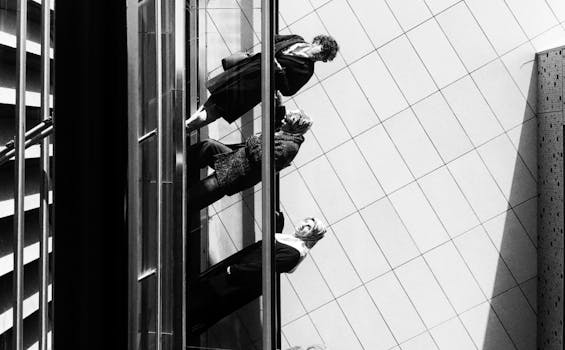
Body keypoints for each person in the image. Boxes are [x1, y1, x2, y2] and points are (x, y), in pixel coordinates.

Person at [188, 211, 327, 335]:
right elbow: (272, 248)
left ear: (312, 236)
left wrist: (235, 270)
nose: (303, 226)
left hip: (239, 280)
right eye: (305, 222)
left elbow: (264, 266)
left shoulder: (294, 253)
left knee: (204, 300)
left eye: (309, 228)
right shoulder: (292, 242)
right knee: (203, 292)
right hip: (238, 272)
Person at [186, 34, 339, 130]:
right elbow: (272, 38)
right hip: (249, 68)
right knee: (214, 99)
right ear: (318, 41)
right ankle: (187, 125)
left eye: (324, 57)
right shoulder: (296, 39)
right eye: (322, 50)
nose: (320, 56)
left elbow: (288, 90)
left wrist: (278, 70)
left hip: (254, 87)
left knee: (218, 109)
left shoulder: (307, 70)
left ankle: (186, 127)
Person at [188, 109, 312, 210]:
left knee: (198, 194)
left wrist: (253, 141)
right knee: (207, 147)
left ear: (293, 128)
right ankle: (178, 164)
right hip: (237, 159)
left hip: (237, 173)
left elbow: (261, 160)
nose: (283, 121)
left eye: (287, 121)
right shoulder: (287, 134)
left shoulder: (290, 148)